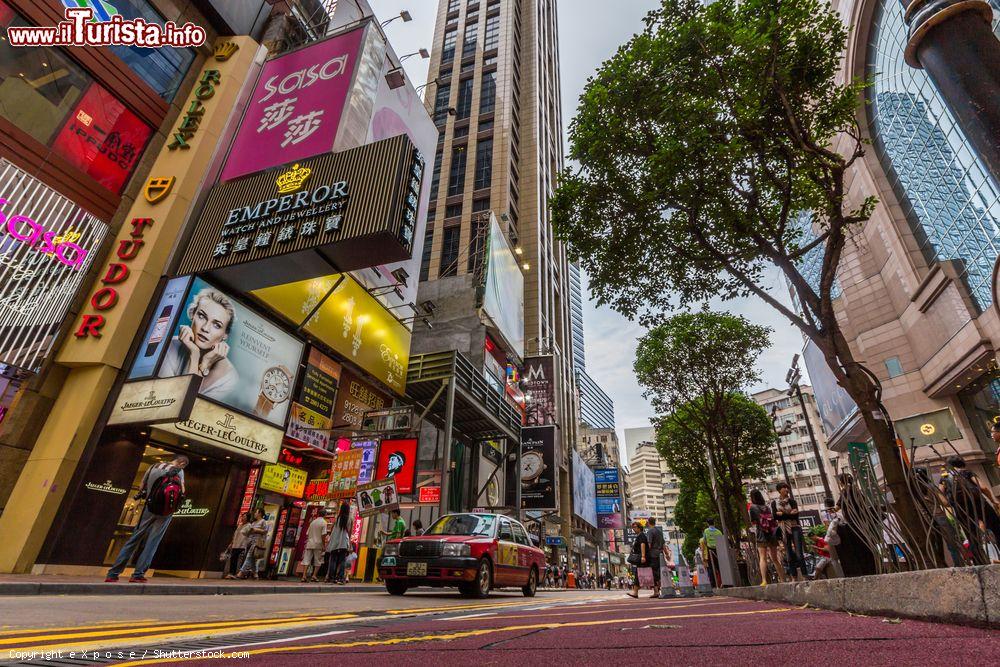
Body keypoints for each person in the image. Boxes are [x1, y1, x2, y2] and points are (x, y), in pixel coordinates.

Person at [105, 455, 189, 583]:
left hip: (149, 508)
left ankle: (113, 573)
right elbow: (182, 491)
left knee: (134, 538)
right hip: (166, 512)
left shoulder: (153, 467)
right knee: (153, 541)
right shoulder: (179, 471)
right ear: (182, 463)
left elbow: (141, 487)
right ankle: (138, 574)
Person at [158, 288, 239, 401]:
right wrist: (194, 355)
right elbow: (174, 402)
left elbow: (186, 407)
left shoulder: (229, 378)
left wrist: (205, 363)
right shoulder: (168, 347)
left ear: (225, 334)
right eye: (201, 316)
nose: (205, 328)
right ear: (192, 314)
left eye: (217, 325)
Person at [835, 473, 877, 576]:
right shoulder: (857, 490)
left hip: (853, 523)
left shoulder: (845, 492)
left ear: (841, 482)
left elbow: (837, 507)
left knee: (859, 547)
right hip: (862, 521)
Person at [748, 488, 785, 586]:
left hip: (761, 534)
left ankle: (764, 580)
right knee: (775, 559)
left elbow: (753, 522)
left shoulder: (752, 507)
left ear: (752, 497)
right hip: (772, 534)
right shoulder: (766, 507)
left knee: (762, 558)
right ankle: (782, 579)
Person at [772, 482, 806, 581]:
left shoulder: (792, 501)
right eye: (784, 488)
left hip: (795, 527)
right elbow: (774, 516)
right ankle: (794, 577)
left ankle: (805, 575)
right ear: (779, 490)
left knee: (799, 553)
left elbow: (796, 515)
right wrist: (789, 513)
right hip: (783, 530)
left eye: (787, 488)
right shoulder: (774, 503)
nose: (786, 489)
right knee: (789, 555)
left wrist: (782, 514)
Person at [237, 508, 269, 579]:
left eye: (256, 513)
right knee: (252, 558)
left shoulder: (263, 522)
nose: (255, 514)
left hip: (257, 542)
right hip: (250, 541)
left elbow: (265, 531)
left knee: (249, 556)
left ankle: (241, 572)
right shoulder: (254, 523)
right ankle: (255, 573)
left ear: (260, 513)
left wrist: (255, 530)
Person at [325, 502, 352, 584]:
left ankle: (331, 577)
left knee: (333, 560)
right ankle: (340, 578)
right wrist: (349, 543)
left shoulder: (337, 517)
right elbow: (349, 532)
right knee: (342, 560)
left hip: (335, 541)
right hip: (344, 542)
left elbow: (333, 529)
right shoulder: (350, 519)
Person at [301, 509, 330, 582]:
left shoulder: (313, 522)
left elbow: (307, 533)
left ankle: (304, 576)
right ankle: (314, 575)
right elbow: (323, 535)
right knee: (318, 560)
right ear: (325, 515)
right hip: (318, 544)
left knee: (306, 559)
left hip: (310, 543)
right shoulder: (324, 523)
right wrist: (324, 545)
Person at [626, 520, 649, 599]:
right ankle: (636, 591)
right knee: (639, 574)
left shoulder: (641, 536)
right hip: (641, 557)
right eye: (633, 527)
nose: (633, 529)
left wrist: (643, 556)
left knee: (639, 574)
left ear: (640, 528)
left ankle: (635, 592)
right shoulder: (639, 535)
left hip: (641, 558)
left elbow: (643, 545)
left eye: (635, 527)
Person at [224, 512, 251, 579]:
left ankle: (237, 574)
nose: (242, 518)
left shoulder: (249, 525)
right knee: (233, 559)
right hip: (235, 544)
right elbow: (235, 535)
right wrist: (231, 543)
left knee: (238, 559)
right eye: (242, 516)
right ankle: (232, 573)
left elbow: (247, 534)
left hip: (242, 545)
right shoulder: (240, 525)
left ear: (248, 518)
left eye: (244, 516)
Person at [646, 516, 665, 598]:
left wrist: (645, 554)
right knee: (660, 572)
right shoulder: (659, 531)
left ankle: (656, 591)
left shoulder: (650, 531)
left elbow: (649, 544)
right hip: (660, 554)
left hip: (653, 554)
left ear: (648, 522)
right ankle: (662, 589)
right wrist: (667, 554)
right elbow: (664, 544)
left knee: (653, 573)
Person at [702, 519, 724, 587]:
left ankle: (713, 584)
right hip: (719, 550)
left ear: (707, 524)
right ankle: (723, 582)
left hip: (710, 550)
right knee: (720, 567)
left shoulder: (706, 531)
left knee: (711, 568)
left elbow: (704, 541)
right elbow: (722, 541)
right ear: (714, 523)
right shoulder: (718, 531)